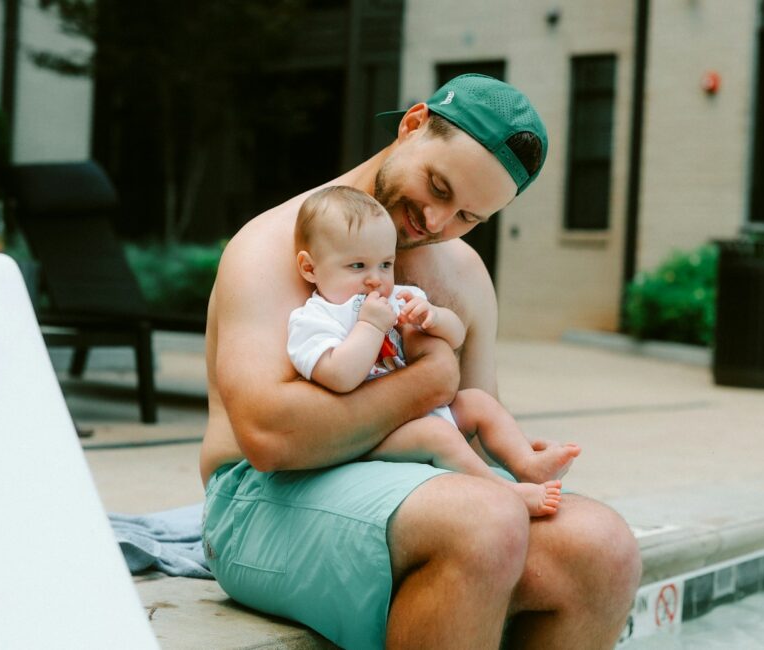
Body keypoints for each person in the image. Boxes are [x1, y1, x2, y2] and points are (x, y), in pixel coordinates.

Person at [200, 74, 642, 649]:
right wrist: (430, 378)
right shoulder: (274, 247)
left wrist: (509, 452)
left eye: (467, 217)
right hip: (263, 501)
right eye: (437, 186)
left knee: (603, 547)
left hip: (417, 486)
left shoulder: (462, 274)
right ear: (411, 125)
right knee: (482, 521)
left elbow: (471, 436)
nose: (436, 223)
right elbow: (269, 437)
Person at [287, 185, 581, 517]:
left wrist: (434, 317)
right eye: (357, 266)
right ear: (310, 268)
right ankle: (505, 492)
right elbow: (338, 376)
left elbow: (456, 336)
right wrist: (369, 327)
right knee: (438, 435)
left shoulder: (399, 296)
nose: (375, 279)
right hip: (368, 437)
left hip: (423, 413)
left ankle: (528, 464)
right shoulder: (314, 319)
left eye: (385, 264)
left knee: (478, 402)